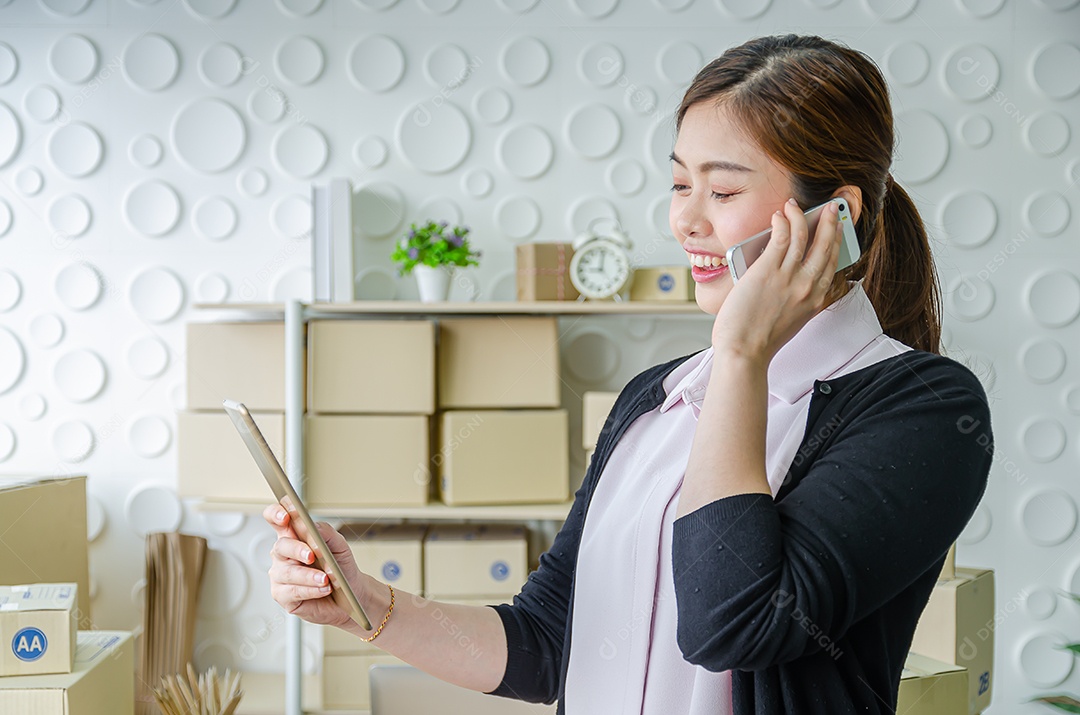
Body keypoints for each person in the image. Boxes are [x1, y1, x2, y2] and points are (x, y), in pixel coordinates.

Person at [264, 34, 993, 714]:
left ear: (835, 215)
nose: (686, 221)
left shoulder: (923, 409)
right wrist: (370, 605)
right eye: (680, 185)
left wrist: (741, 353)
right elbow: (552, 638)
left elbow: (732, 623)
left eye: (723, 190)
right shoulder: (657, 397)